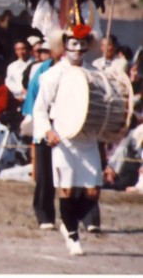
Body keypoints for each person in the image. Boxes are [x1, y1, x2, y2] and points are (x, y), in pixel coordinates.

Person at [33, 22, 101, 256]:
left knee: (92, 192)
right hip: (64, 140)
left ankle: (68, 219)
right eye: (74, 44)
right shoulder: (53, 74)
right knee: (67, 189)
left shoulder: (94, 73)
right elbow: (39, 109)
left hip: (88, 140)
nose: (78, 50)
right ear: (64, 45)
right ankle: (72, 234)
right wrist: (47, 131)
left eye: (83, 45)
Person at [21, 30, 64, 230]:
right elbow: (35, 98)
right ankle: (45, 214)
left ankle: (79, 216)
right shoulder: (41, 70)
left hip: (70, 125)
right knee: (45, 174)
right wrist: (40, 126)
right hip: (46, 122)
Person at [6, 39, 33, 104]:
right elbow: (9, 82)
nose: (21, 52)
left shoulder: (35, 63)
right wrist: (20, 90)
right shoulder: (12, 66)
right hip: (18, 99)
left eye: (23, 49)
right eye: (18, 49)